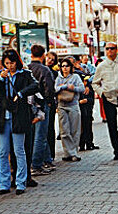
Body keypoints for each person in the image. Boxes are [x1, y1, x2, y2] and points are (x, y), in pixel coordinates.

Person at [0, 49, 39, 195]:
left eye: (12, 63)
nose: (9, 66)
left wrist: (21, 93)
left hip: (18, 116)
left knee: (19, 150)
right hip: (3, 117)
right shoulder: (0, 76)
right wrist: (1, 79)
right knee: (3, 151)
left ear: (17, 62)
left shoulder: (24, 74)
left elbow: (35, 86)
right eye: (6, 63)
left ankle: (20, 182)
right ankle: (4, 183)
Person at [28, 44, 56, 176]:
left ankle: (47, 159)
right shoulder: (44, 70)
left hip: (29, 103)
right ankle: (36, 164)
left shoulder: (26, 69)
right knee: (41, 134)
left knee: (34, 134)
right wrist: (50, 102)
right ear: (43, 55)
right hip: (41, 103)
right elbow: (49, 88)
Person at [54, 57, 84, 162]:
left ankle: (74, 153)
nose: (65, 68)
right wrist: (63, 87)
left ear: (70, 67)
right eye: (63, 66)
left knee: (75, 130)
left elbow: (82, 89)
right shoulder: (58, 78)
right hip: (62, 105)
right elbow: (54, 89)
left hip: (73, 105)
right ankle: (67, 153)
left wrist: (73, 88)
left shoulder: (75, 77)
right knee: (64, 130)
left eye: (67, 66)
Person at [45, 50, 59, 159]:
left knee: (50, 128)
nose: (50, 61)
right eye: (49, 58)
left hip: (50, 103)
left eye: (52, 60)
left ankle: (51, 154)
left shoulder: (54, 73)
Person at [79, 76, 98, 151]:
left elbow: (92, 100)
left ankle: (90, 143)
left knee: (88, 128)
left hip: (88, 112)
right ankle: (82, 145)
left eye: (86, 81)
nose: (85, 83)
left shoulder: (89, 90)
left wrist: (86, 100)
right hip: (80, 112)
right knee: (82, 129)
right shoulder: (78, 90)